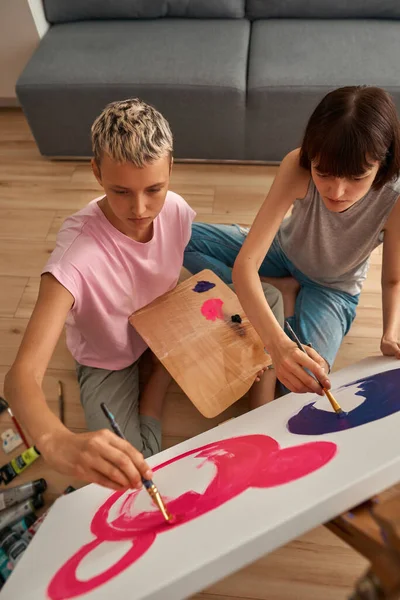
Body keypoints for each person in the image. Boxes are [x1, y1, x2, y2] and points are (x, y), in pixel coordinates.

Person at [183, 86, 400, 398]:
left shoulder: (394, 200)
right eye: (323, 173)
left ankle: (275, 291)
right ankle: (278, 288)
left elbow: (393, 279)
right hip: (282, 251)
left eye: (356, 177)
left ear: (383, 163)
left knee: (301, 384)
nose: (336, 192)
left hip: (333, 291)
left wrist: (389, 333)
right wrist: (277, 344)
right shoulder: (295, 166)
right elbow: (246, 264)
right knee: (179, 238)